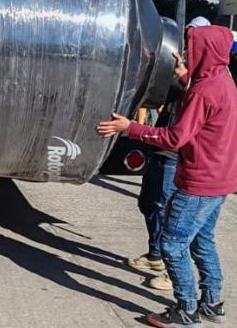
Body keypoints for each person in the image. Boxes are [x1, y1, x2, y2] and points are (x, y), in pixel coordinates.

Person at [98, 25, 237, 328]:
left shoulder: (203, 91)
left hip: (199, 181)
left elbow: (175, 138)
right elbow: (206, 101)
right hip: (221, 181)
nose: (189, 51)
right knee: (203, 241)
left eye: (193, 46)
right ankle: (212, 303)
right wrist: (185, 75)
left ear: (206, 51)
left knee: (173, 244)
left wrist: (130, 129)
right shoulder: (223, 80)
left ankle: (186, 310)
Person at [127, 83, 181, 292]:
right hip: (158, 151)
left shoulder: (198, 85)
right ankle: (155, 255)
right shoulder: (178, 85)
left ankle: (172, 271)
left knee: (168, 213)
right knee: (148, 204)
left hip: (173, 155)